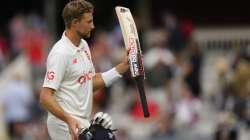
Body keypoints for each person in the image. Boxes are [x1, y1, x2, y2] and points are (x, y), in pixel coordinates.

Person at [39, 0, 129, 140]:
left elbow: (89, 83)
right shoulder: (60, 53)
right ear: (75, 22)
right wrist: (68, 119)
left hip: (80, 122)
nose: (93, 26)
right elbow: (45, 97)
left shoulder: (83, 45)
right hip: (64, 123)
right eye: (88, 22)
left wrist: (121, 68)